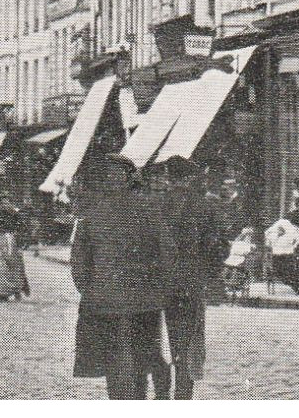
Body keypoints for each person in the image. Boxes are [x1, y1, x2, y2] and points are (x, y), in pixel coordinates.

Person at [70, 154, 179, 399]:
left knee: (145, 354)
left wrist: (157, 283)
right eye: (108, 175)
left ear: (129, 178)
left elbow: (167, 250)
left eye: (118, 174)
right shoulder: (91, 213)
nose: (113, 179)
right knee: (114, 358)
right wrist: (89, 288)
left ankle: (158, 395)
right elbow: (80, 257)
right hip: (107, 299)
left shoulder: (147, 209)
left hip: (139, 297)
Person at [159, 157, 216, 400]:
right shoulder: (202, 206)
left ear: (169, 177)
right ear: (190, 178)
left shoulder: (156, 204)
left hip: (159, 284)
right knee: (188, 341)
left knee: (157, 341)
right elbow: (218, 246)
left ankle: (161, 394)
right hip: (191, 283)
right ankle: (183, 397)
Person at [0, 223, 31, 301]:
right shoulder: (2, 237)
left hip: (7, 258)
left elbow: (9, 250)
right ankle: (11, 291)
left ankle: (3, 294)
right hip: (4, 258)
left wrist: (9, 258)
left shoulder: (7, 237)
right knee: (10, 274)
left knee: (7, 274)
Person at [264, 212, 299, 288]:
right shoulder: (288, 225)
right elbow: (297, 239)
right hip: (285, 252)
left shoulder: (279, 225)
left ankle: (288, 280)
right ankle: (289, 281)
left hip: (280, 252)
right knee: (286, 268)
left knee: (282, 268)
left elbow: (267, 234)